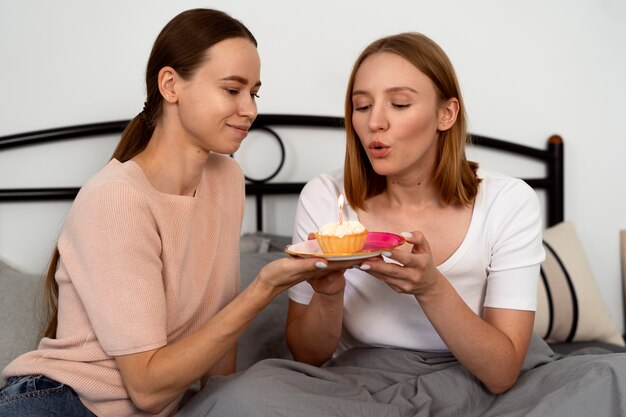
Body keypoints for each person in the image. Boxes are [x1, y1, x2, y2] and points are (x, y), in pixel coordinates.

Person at [0, 8, 351, 417]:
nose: (250, 110)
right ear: (170, 85)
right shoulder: (116, 199)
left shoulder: (227, 179)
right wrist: (262, 289)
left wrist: (221, 403)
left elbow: (217, 345)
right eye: (232, 90)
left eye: (254, 93)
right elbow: (147, 389)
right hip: (61, 405)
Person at [176, 32, 547, 416]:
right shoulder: (324, 196)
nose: (375, 122)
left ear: (446, 114)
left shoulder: (508, 201)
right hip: (357, 384)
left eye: (400, 104)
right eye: (362, 105)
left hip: (475, 380)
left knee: (608, 380)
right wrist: (329, 293)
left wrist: (432, 288)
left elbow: (502, 373)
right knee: (238, 398)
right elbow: (308, 356)